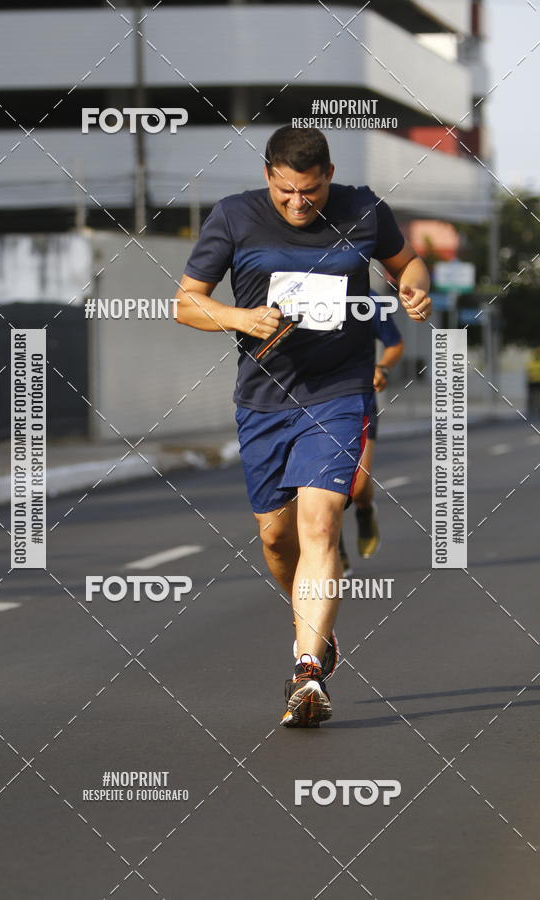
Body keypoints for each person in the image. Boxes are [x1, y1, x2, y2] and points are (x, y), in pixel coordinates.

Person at [174, 125, 431, 727]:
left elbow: (408, 264)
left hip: (339, 392)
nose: (297, 204)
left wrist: (415, 291)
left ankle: (307, 669)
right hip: (264, 400)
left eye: (310, 193)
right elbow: (186, 301)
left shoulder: (363, 209)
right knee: (275, 539)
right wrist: (240, 317)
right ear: (268, 176)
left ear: (330, 176)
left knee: (321, 522)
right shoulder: (234, 217)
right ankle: (310, 625)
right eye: (286, 191)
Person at [340, 308, 405, 572]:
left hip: (359, 400)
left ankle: (365, 509)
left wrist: (382, 368)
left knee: (358, 487)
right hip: (311, 403)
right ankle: (333, 549)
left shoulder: (366, 300)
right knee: (320, 492)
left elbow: (394, 343)